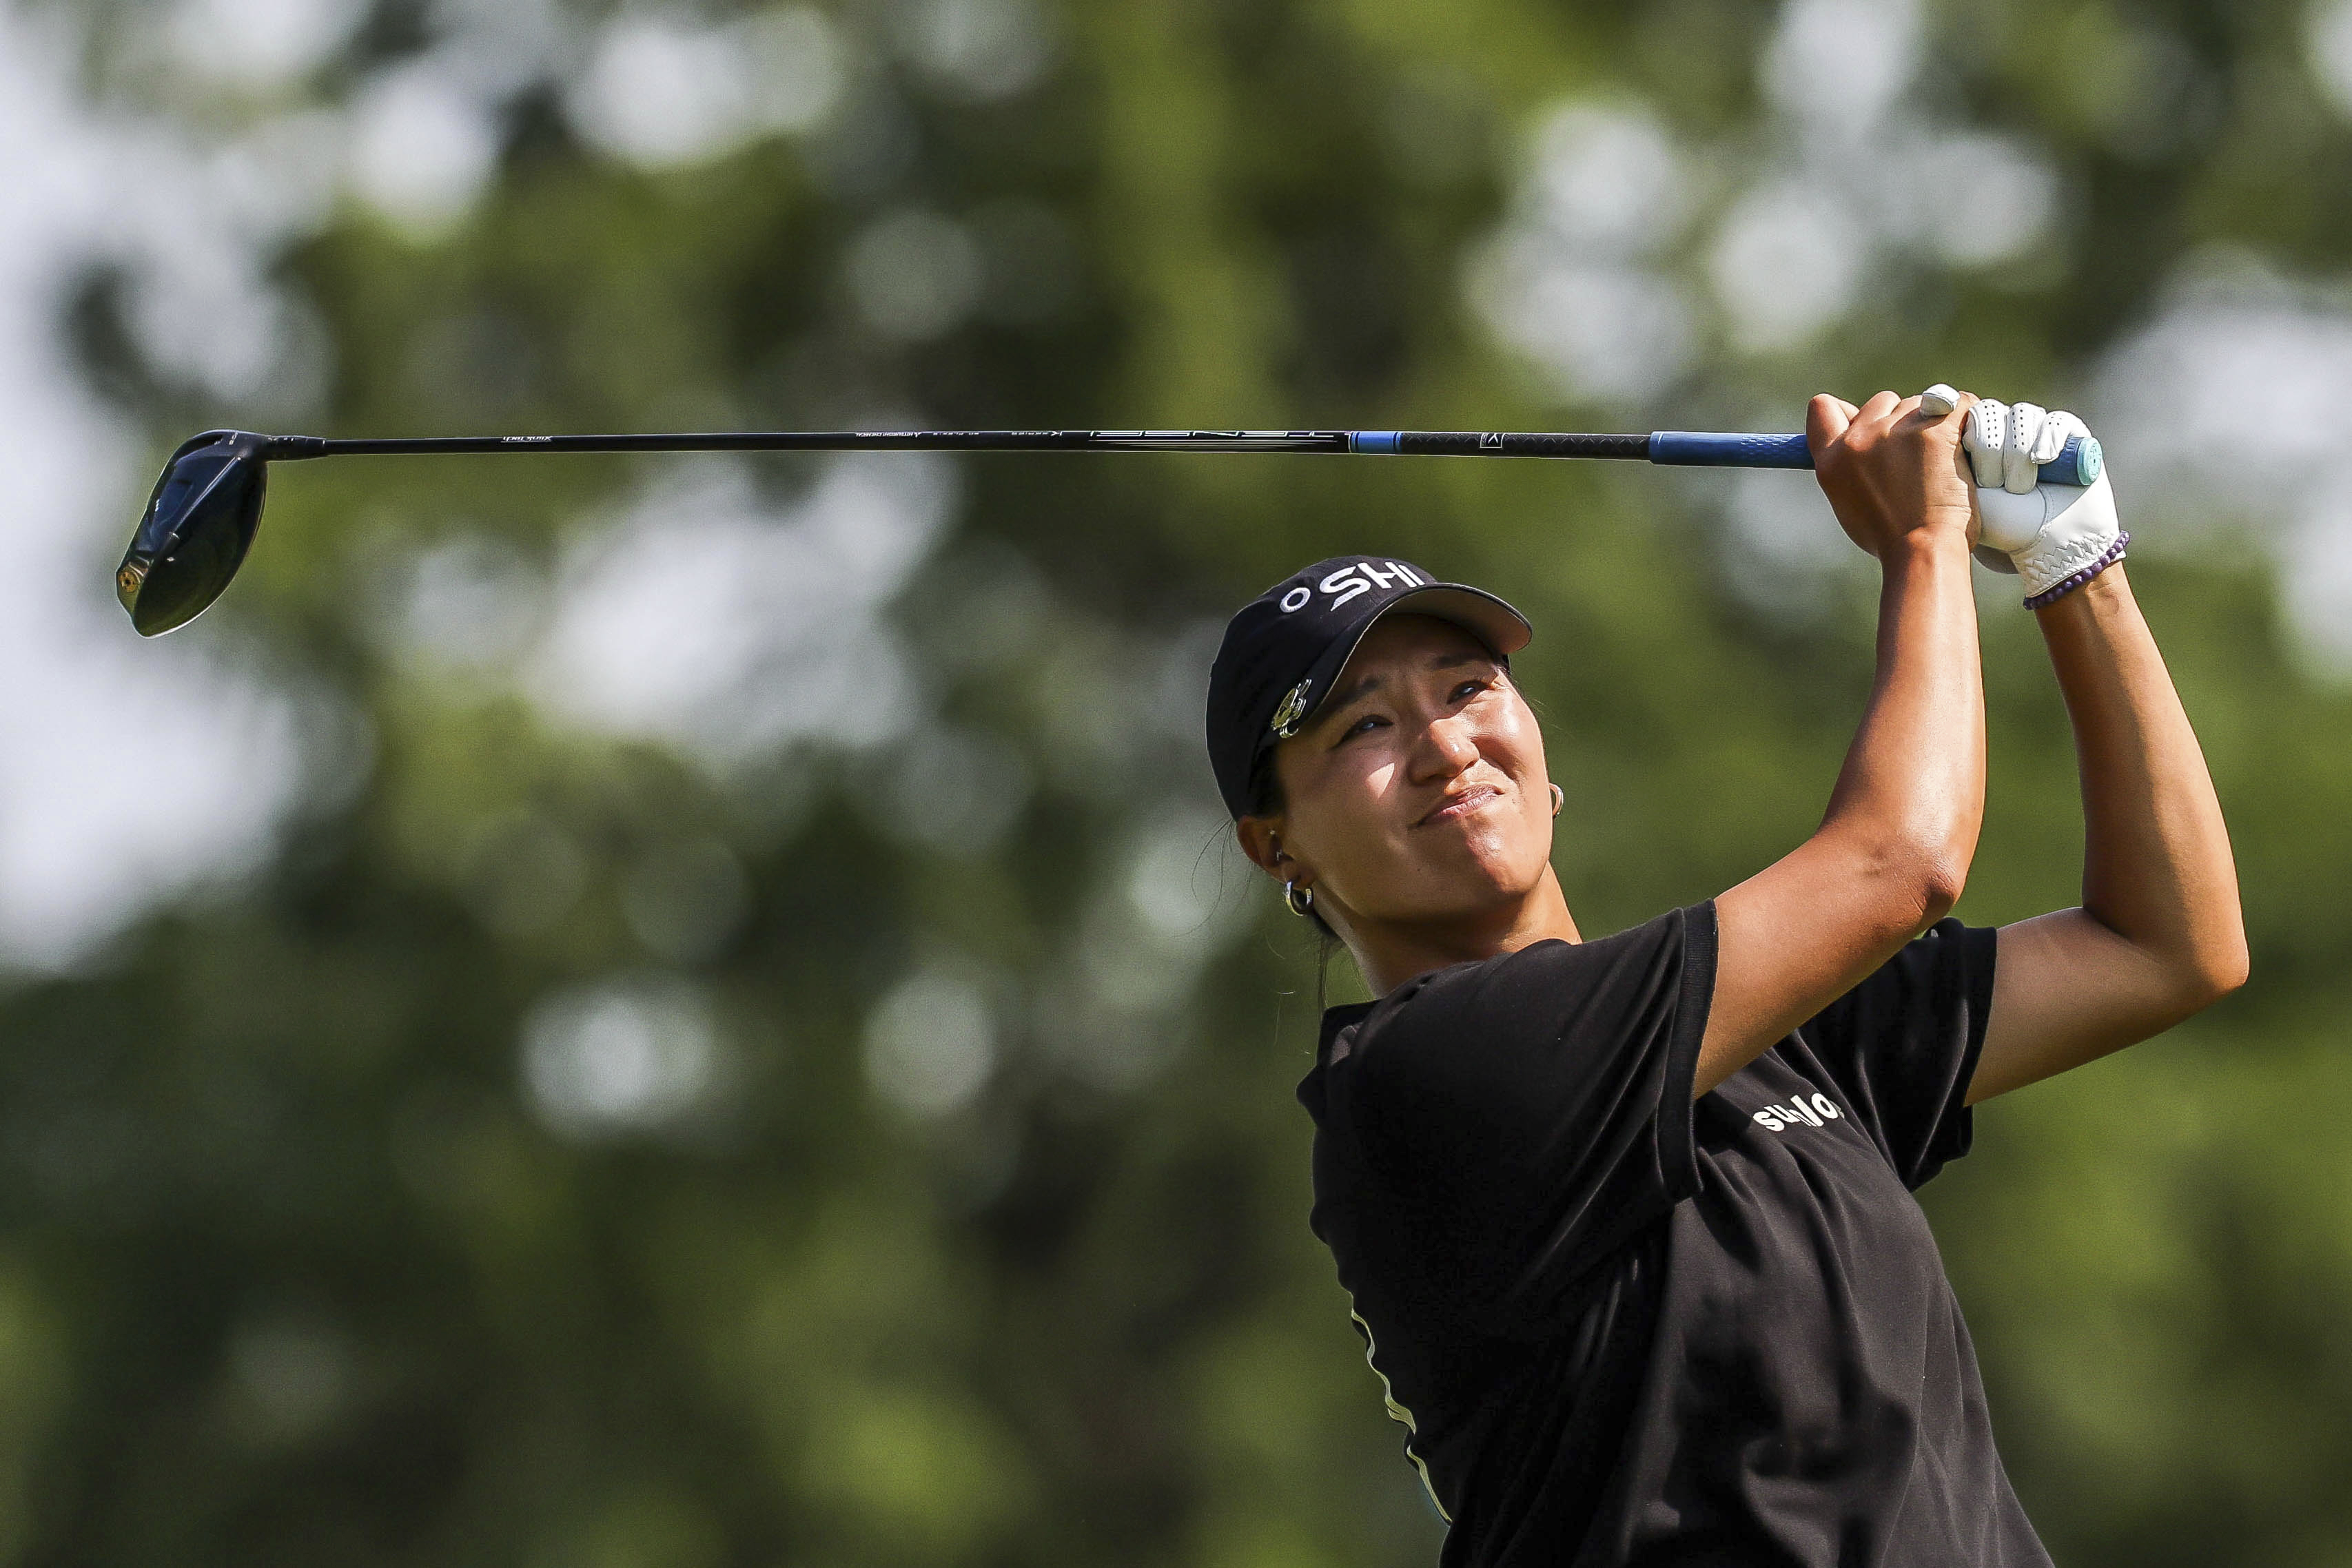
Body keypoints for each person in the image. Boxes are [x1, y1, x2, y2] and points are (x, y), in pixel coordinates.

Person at [1200, 389, 2246, 1567]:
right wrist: (1921, 540)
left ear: (1540, 755)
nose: (1445, 746)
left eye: (1465, 687)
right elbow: (1903, 861)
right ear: (1274, 846)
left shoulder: (1769, 1037)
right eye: (1359, 730)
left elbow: (2166, 946)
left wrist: (2077, 567)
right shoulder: (1430, 1077)